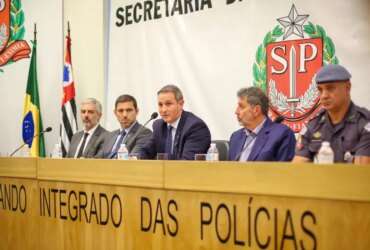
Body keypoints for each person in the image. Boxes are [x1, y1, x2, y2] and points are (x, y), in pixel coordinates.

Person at [293, 64, 370, 164]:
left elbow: (361, 172)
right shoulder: (313, 126)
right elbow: (298, 168)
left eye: (330, 88)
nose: (324, 96)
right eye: (320, 90)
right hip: (319, 179)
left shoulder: (364, 124)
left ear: (347, 88)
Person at [140, 85, 211, 160]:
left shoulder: (195, 127)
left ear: (180, 104)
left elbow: (187, 162)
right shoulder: (159, 126)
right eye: (160, 105)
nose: (163, 110)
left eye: (168, 104)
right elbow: (145, 152)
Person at [229, 87, 296, 161]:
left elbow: (285, 170)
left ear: (256, 110)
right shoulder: (235, 137)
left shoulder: (282, 134)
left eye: (241, 107)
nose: (236, 112)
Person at [97, 94, 152, 158]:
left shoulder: (144, 133)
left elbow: (134, 159)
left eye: (129, 110)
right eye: (120, 111)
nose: (124, 115)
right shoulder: (110, 135)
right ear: (115, 113)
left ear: (137, 111)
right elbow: (98, 158)